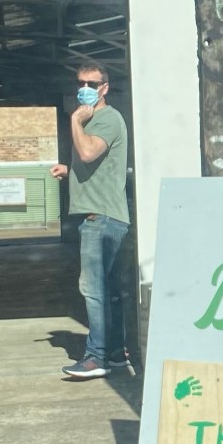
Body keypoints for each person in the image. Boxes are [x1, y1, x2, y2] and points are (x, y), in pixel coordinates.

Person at [52, 61, 136, 380]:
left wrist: (75, 119)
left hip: (101, 219)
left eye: (92, 83)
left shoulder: (106, 119)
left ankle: (95, 356)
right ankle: (114, 353)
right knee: (109, 290)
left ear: (105, 88)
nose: (84, 89)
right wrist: (70, 171)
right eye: (80, 83)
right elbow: (98, 165)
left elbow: (88, 153)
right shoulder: (97, 121)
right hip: (105, 217)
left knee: (93, 290)